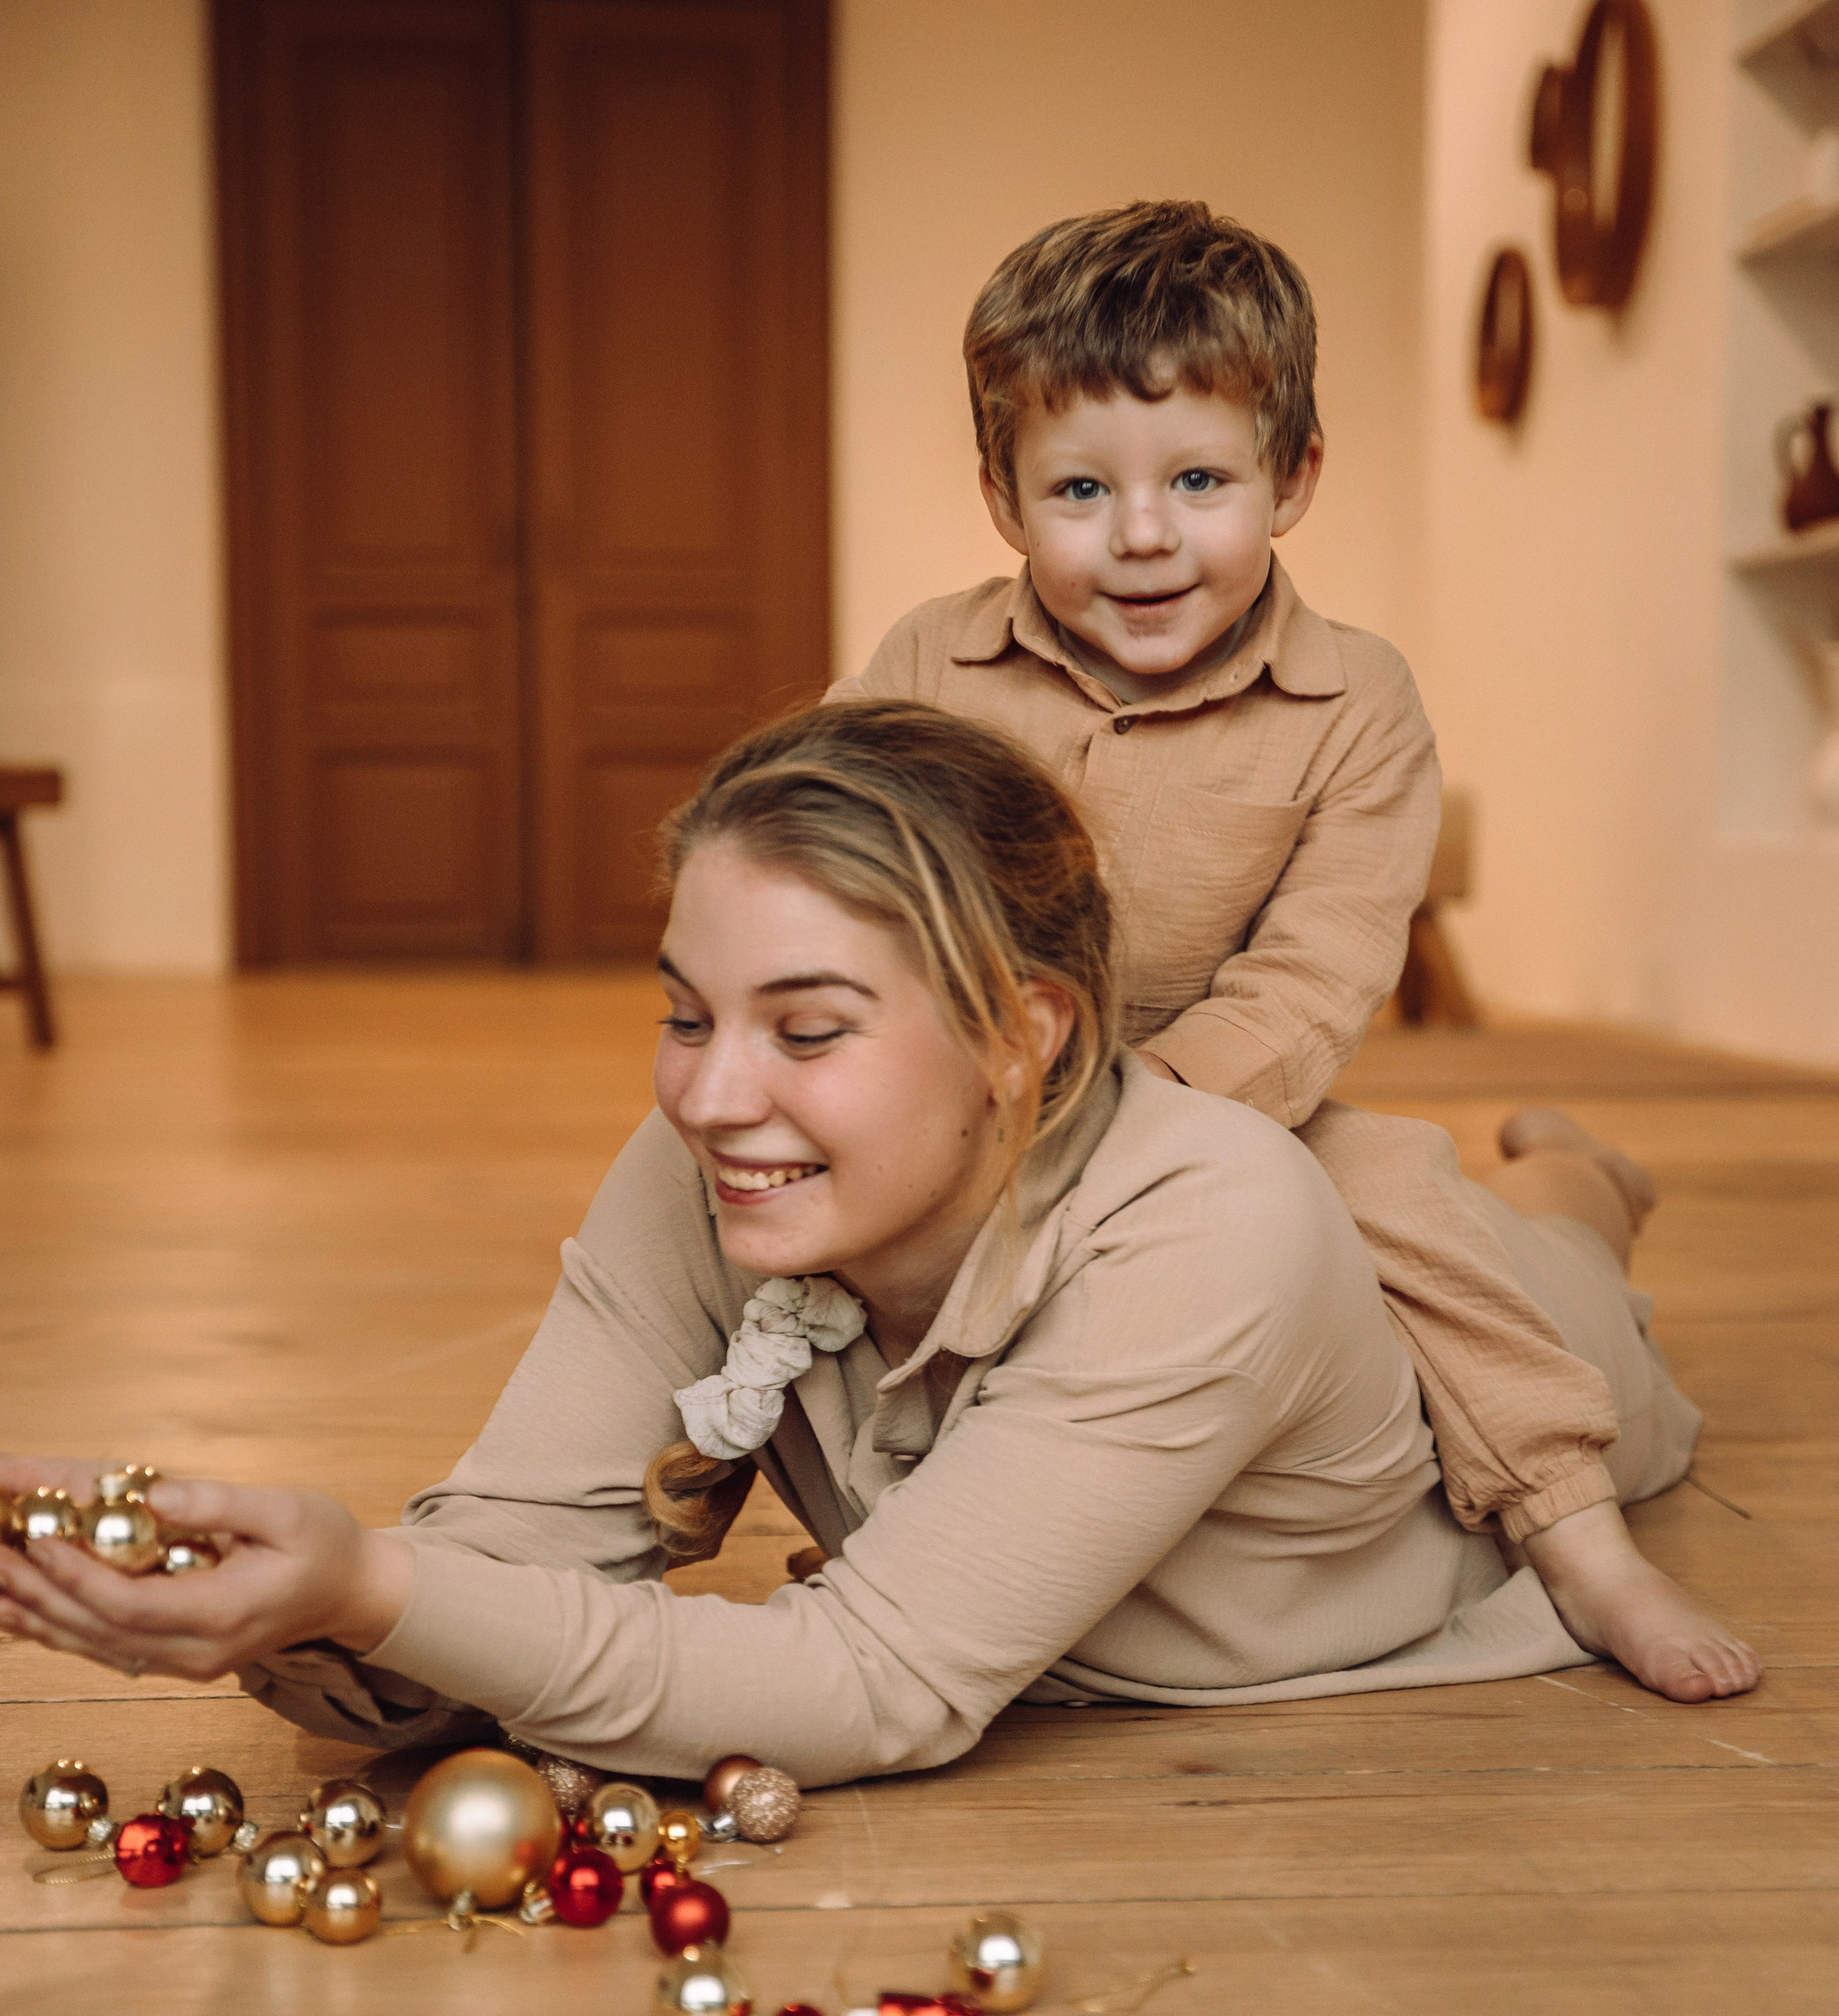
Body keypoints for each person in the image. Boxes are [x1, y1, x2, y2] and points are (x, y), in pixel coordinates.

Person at [0, 707, 1753, 1790]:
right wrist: (278, 1615)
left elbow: (878, 1686)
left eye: (810, 1026)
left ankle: (1581, 1182)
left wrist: (371, 1584)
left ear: (1025, 1034)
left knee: (1572, 1285)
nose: (710, 1093)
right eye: (687, 1012)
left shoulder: (1215, 1230)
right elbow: (517, 1553)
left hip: (1467, 1363)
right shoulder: (701, 1163)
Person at [827, 198, 1757, 1702]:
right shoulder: (927, 667)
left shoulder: (1357, 705)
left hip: (1232, 1106)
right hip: (990, 1097)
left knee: (1411, 1197)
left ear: (1293, 475)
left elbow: (1315, 981)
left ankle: (1581, 1530)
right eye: (1077, 489)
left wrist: (1136, 1116)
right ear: (1001, 500)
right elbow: (833, 878)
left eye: (1198, 479)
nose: (1141, 538)